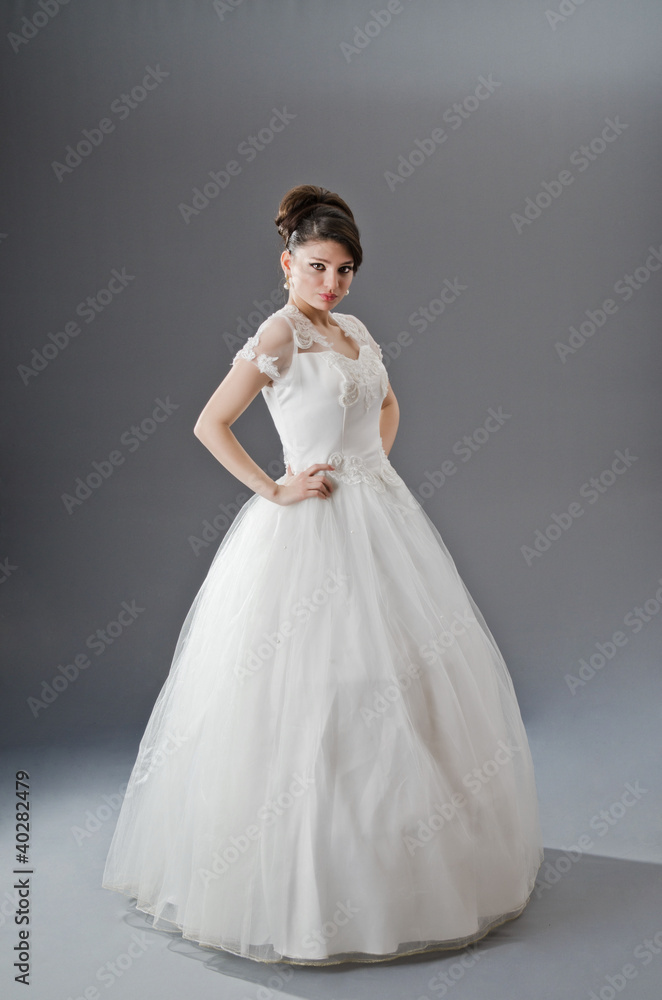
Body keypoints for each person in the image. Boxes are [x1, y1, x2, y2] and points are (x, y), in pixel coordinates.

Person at [102, 184, 544, 966]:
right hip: (308, 527)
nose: (331, 284)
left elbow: (387, 405)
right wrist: (277, 486)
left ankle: (403, 870)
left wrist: (370, 469)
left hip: (380, 515)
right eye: (317, 268)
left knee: (406, 685)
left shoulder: (353, 331)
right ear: (286, 265)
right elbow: (211, 423)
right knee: (312, 693)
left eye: (344, 270)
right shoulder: (278, 336)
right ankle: (307, 890)